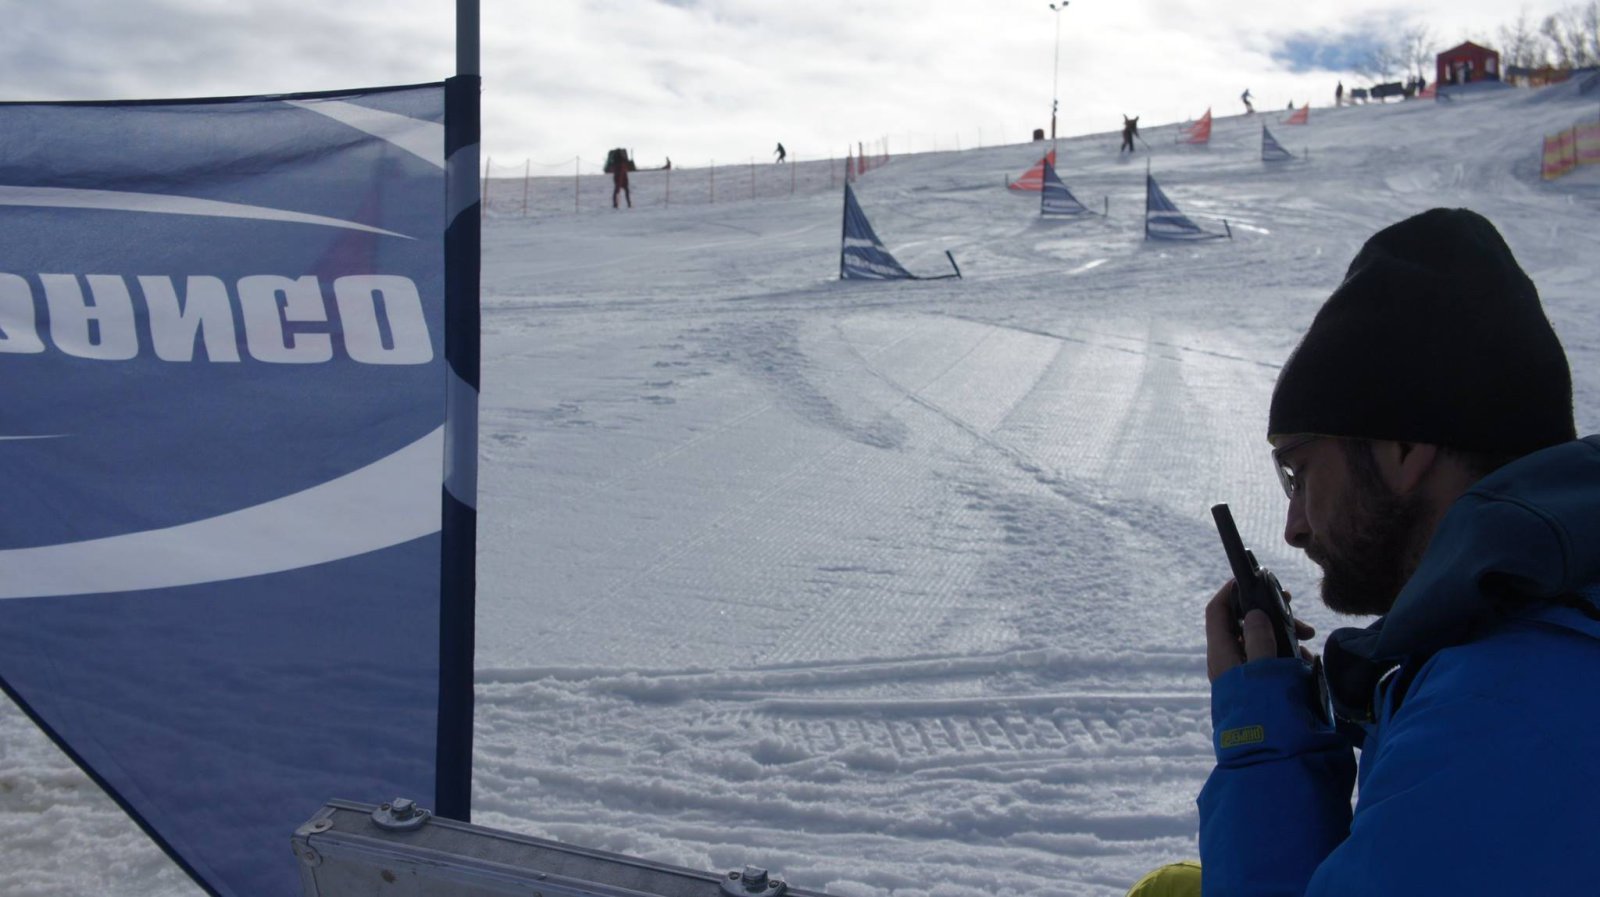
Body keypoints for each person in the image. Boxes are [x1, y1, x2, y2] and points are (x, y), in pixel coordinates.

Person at [1190, 208, 1598, 895]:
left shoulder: (1498, 720)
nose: (1292, 525)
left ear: (1404, 449)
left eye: (1299, 472)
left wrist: (1265, 745)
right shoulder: (1536, 647)